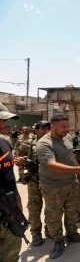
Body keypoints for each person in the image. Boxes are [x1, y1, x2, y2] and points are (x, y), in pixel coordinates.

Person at [36, 114, 80, 259]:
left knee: (71, 211)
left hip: (70, 183)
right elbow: (52, 165)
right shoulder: (44, 143)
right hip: (52, 186)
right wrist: (78, 170)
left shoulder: (66, 138)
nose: (67, 129)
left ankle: (72, 233)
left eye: (68, 126)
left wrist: (77, 169)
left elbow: (71, 155)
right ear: (52, 126)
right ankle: (58, 241)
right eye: (63, 127)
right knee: (54, 215)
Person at [15, 121, 50, 247]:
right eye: (43, 129)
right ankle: (36, 234)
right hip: (34, 180)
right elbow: (18, 161)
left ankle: (50, 230)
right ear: (37, 130)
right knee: (34, 208)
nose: (46, 131)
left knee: (51, 207)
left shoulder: (54, 142)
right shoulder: (27, 144)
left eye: (48, 128)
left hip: (50, 180)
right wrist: (21, 162)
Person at [0, 103, 23, 262]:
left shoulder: (4, 142)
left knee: (11, 253)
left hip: (8, 208)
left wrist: (17, 198)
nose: (4, 124)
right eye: (1, 120)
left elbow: (5, 170)